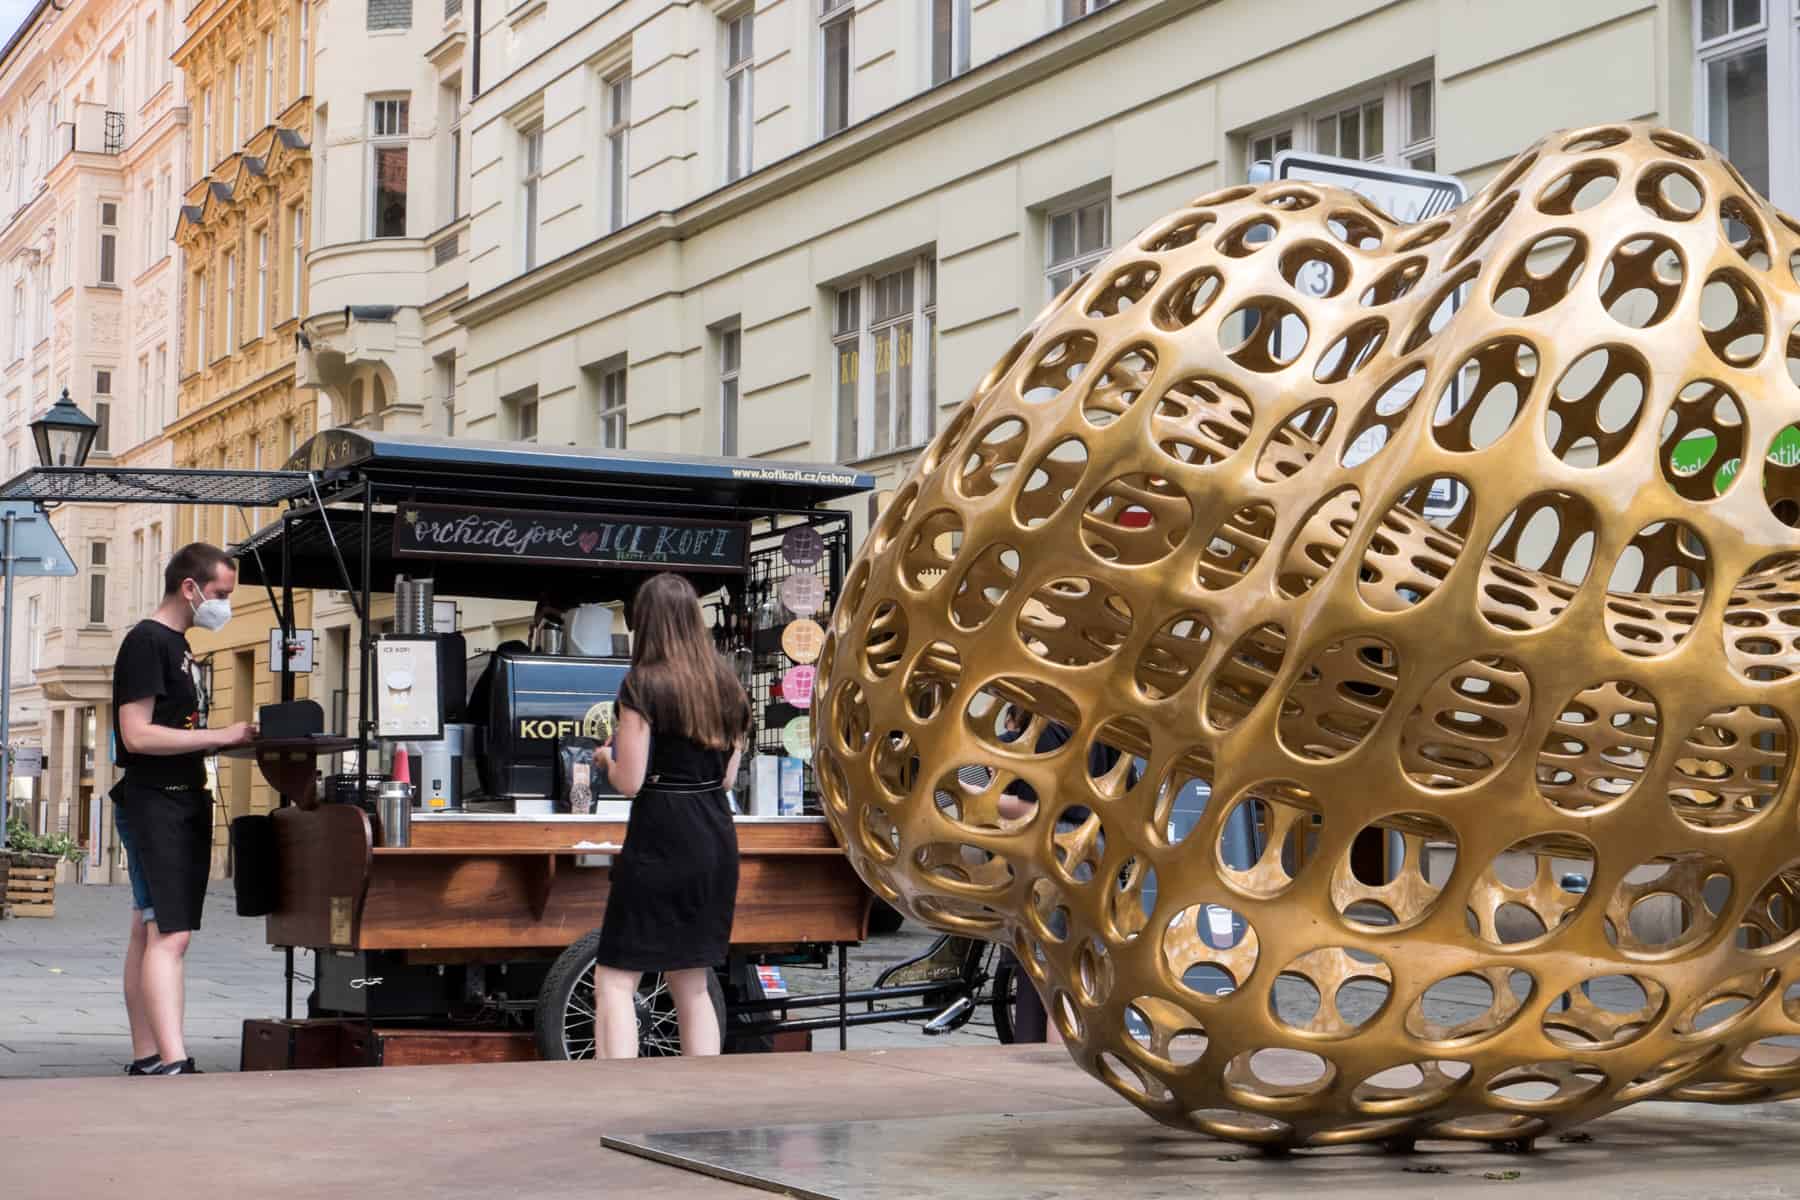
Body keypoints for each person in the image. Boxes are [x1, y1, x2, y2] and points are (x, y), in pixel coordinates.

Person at [111, 543, 257, 1076]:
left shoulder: (177, 645)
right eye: (220, 594)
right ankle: (173, 1060)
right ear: (190, 588)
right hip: (158, 802)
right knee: (171, 933)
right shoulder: (149, 642)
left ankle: (148, 1055)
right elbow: (137, 734)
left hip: (167, 798)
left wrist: (218, 741)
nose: (225, 606)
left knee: (149, 928)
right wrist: (222, 736)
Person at [591, 573, 750, 1058]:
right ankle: (700, 1102)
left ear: (648, 622)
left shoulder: (642, 684)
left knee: (616, 977)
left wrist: (605, 760)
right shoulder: (728, 686)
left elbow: (630, 781)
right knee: (692, 979)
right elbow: (726, 779)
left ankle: (618, 1096)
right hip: (715, 835)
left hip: (661, 835)